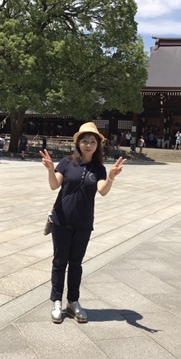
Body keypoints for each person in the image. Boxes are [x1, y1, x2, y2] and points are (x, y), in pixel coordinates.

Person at [40, 122, 125, 324]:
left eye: (92, 141)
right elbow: (54, 185)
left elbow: (102, 190)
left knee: (76, 264)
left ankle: (73, 301)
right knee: (59, 262)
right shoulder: (67, 162)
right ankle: (56, 301)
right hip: (62, 220)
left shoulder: (99, 168)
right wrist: (50, 170)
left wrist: (111, 177)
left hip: (84, 222)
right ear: (78, 143)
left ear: (97, 145)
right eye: (85, 141)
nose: (88, 145)